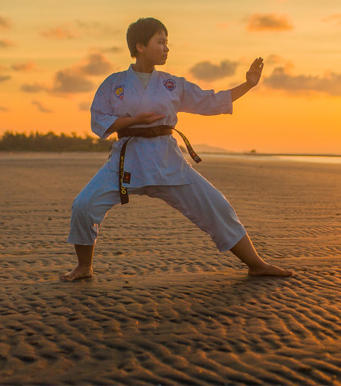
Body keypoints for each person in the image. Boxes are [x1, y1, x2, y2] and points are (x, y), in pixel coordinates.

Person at [60, 17, 293, 281]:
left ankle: (256, 264)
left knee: (216, 205)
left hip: (167, 160)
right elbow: (98, 119)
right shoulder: (114, 84)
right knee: (83, 205)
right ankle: (84, 266)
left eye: (167, 42)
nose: (166, 48)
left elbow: (211, 101)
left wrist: (248, 84)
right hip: (127, 159)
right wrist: (134, 120)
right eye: (160, 42)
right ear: (140, 46)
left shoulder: (172, 84)